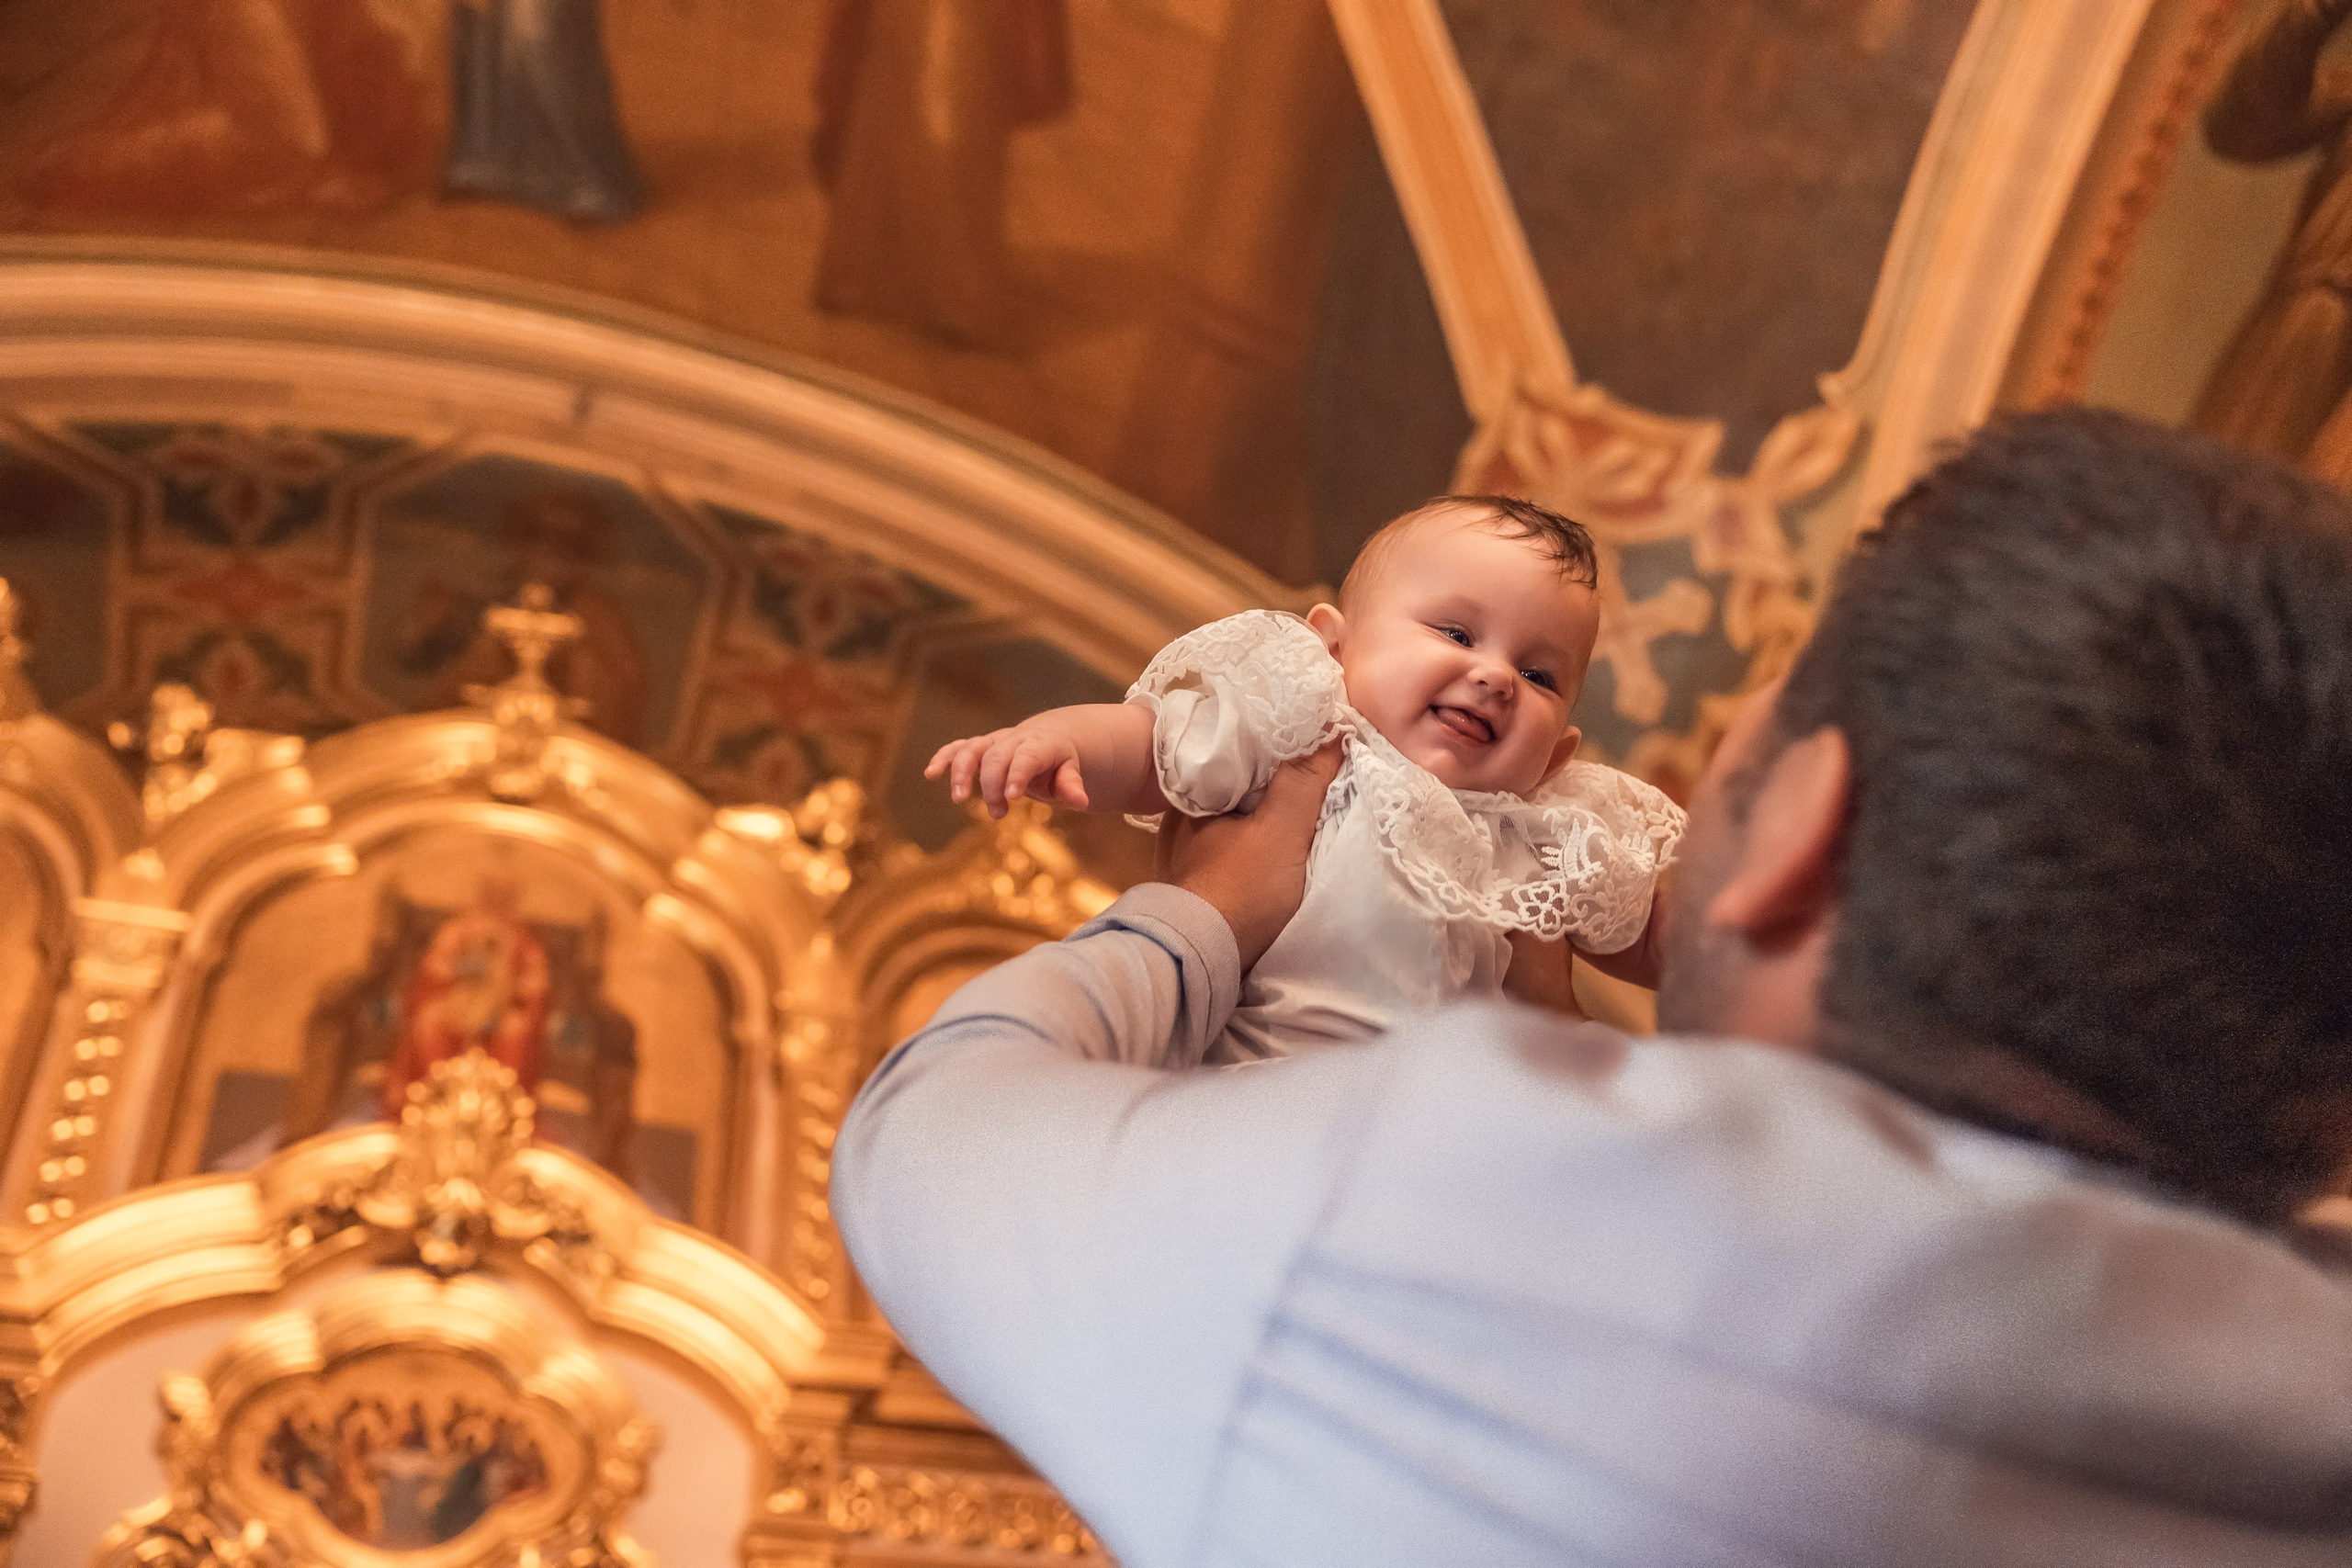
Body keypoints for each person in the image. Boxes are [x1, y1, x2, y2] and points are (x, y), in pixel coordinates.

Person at [834, 409, 2352, 1566]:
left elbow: (929, 1132)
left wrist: (1207, 911)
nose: (1507, 691)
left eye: (1728, 766)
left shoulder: (1420, 1192)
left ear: (1803, 829)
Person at [926, 496, 1682, 1059]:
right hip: (1260, 1087)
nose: (1494, 676)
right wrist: (1053, 741)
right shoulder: (1300, 736)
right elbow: (1152, 739)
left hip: (1430, 1147)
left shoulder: (1535, 835)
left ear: (1556, 755)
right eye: (1456, 633)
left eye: (1538, 672)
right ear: (1330, 651)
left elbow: (1659, 937)